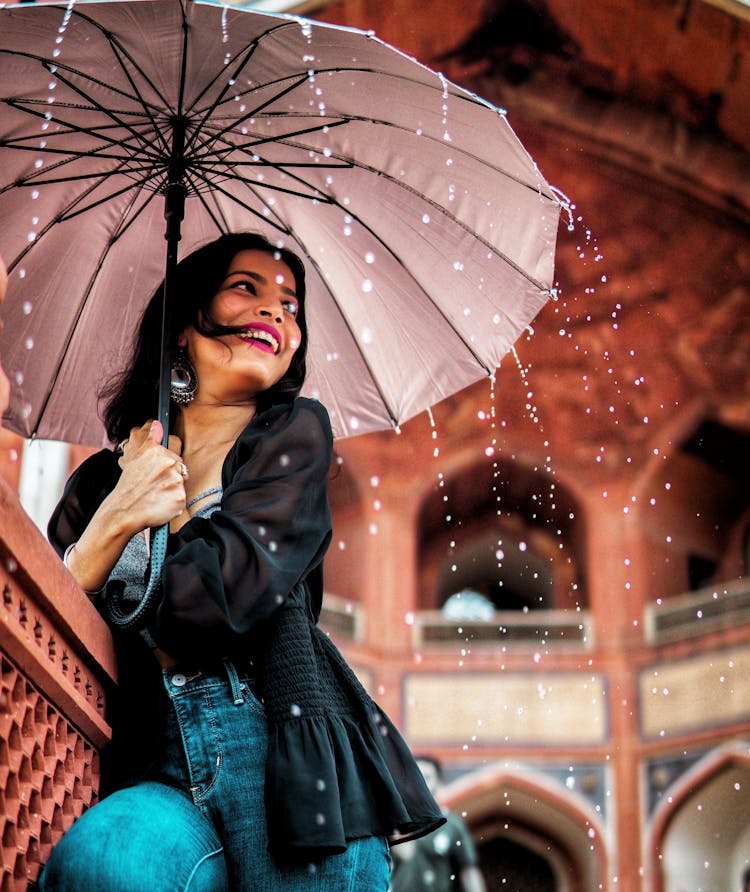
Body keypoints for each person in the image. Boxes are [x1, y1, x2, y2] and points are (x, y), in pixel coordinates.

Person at [39, 232, 444, 891]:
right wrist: (116, 514)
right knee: (102, 863)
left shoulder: (293, 438)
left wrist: (130, 540)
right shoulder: (99, 484)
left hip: (282, 754)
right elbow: (52, 625)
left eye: (290, 305)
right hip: (153, 762)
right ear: (183, 326)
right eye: (246, 288)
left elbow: (222, 598)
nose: (277, 313)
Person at [389, 757, 486, 892]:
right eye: (416, 777)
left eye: (427, 777)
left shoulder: (452, 824)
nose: (420, 783)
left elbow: (468, 870)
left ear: (440, 784)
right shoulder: (394, 819)